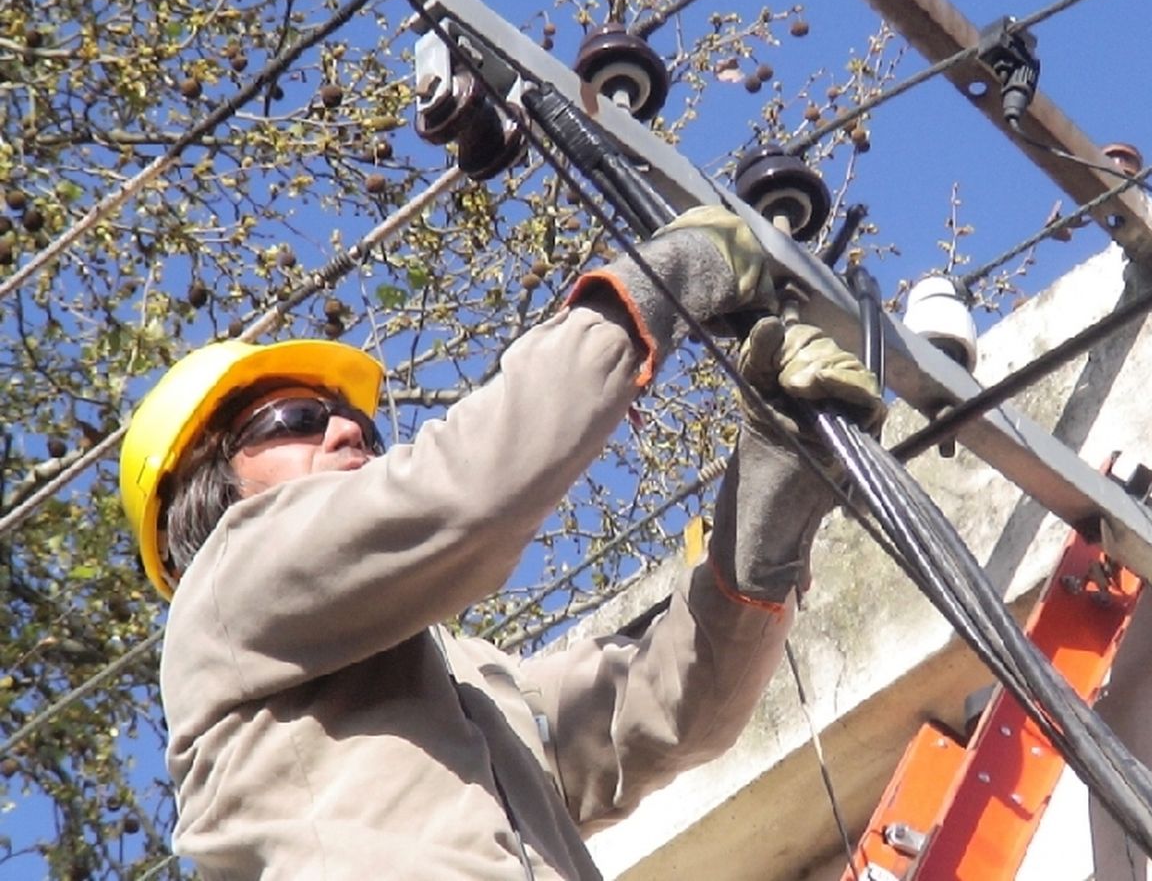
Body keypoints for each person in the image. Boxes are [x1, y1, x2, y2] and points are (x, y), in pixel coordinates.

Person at [118, 206, 884, 880]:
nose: (349, 428)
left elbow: (663, 709)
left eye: (360, 424)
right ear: (205, 491)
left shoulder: (471, 690)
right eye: (293, 422)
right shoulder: (226, 589)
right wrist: (663, 280)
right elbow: (466, 493)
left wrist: (772, 495)